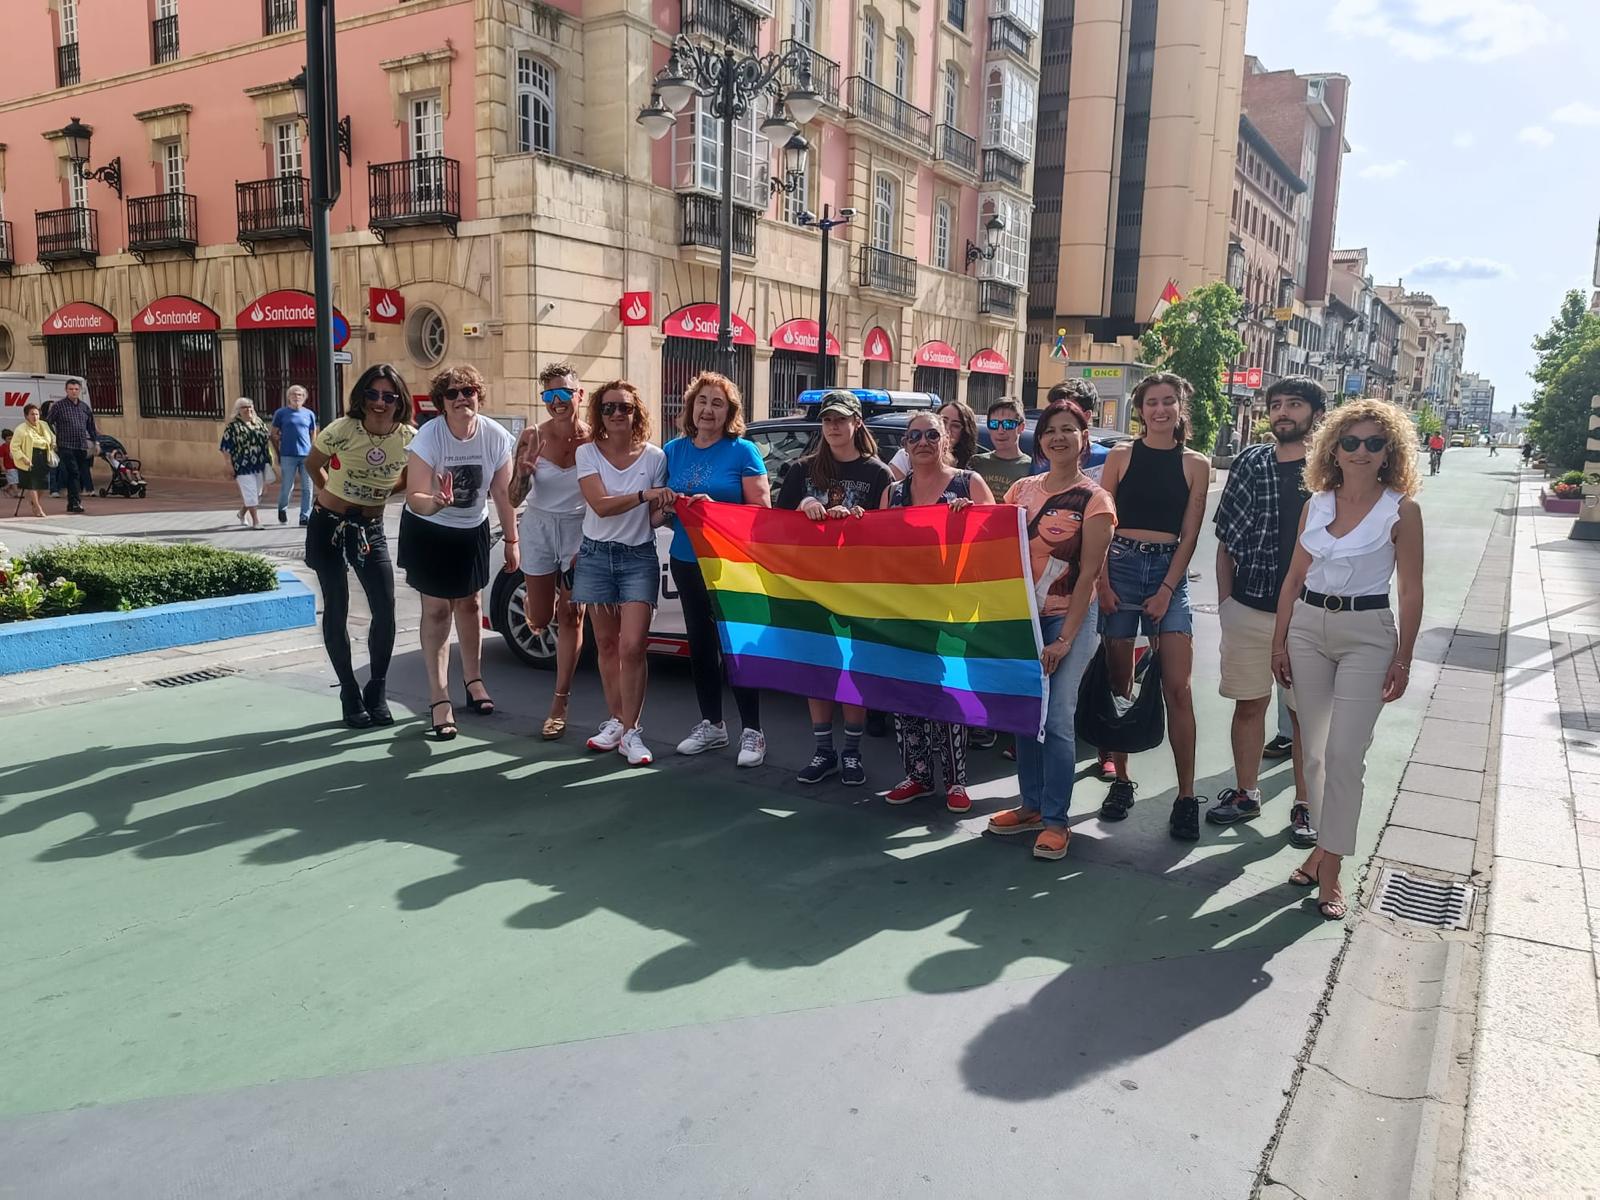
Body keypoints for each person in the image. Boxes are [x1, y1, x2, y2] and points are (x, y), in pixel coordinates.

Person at [1273, 399, 1424, 920]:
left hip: (1368, 632)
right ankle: (1323, 845)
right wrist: (1279, 640)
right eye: (1351, 442)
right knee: (1311, 751)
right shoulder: (1315, 503)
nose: (1361, 451)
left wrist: (1403, 657)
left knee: (1344, 754)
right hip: (1308, 627)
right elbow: (1293, 578)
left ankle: (1332, 866)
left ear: (1390, 452)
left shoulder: (1401, 510)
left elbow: (1410, 590)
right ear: (1333, 449)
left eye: (1374, 443)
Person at [986, 396, 1117, 859]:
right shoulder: (1023, 490)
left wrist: (1065, 638)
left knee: (1058, 720)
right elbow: (994, 540)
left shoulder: (1096, 501)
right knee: (1026, 713)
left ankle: (1057, 820)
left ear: (1084, 438)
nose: (1058, 437)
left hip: (1069, 619)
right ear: (1039, 440)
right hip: (1025, 616)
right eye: (1050, 431)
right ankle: (1032, 806)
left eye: (1068, 429)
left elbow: (1088, 576)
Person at [1208, 376, 1326, 843]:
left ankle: (1305, 805)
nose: (1283, 413)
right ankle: (1246, 791)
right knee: (1249, 704)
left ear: (1315, 412)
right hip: (1249, 608)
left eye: (1294, 404)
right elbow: (1225, 541)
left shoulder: (1331, 468)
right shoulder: (1251, 462)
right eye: (1276, 404)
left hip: (1310, 615)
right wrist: (1225, 603)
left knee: (1304, 715)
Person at [1094, 371, 1210, 840]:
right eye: (1151, 403)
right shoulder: (1120, 457)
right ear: (1139, 409)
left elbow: (1191, 533)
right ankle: (1121, 781)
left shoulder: (1196, 464)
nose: (1159, 410)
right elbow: (1100, 521)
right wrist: (1100, 581)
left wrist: (1166, 589)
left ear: (1180, 407)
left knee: (1178, 687)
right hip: (1119, 568)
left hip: (1168, 572)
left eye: (1168, 402)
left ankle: (1185, 796)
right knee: (1119, 684)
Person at [879, 410, 995, 814]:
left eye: (931, 434)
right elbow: (880, 548)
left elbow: (998, 541)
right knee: (907, 688)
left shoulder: (968, 483)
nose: (923, 442)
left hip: (953, 607)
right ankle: (918, 774)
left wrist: (973, 519)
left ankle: (956, 780)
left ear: (946, 440)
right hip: (905, 608)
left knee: (948, 690)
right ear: (905, 446)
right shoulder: (893, 493)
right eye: (914, 436)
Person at [776, 390, 894, 787]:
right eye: (827, 420)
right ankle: (823, 750)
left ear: (857, 423)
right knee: (819, 667)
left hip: (859, 588)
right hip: (811, 585)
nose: (833, 427)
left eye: (841, 420)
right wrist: (803, 506)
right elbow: (774, 529)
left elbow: (890, 535)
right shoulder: (800, 470)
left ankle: (852, 754)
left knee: (854, 669)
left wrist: (859, 521)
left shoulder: (878, 472)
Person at [402, 365, 519, 741]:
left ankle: (474, 681)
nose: (460, 398)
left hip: (472, 529)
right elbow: (414, 497)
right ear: (441, 403)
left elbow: (503, 494)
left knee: (470, 604)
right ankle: (439, 698)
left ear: (478, 396)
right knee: (437, 610)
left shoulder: (495, 436)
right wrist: (436, 502)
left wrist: (513, 541)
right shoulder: (429, 437)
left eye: (467, 390)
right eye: (451, 394)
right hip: (429, 528)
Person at [665, 371, 771, 766]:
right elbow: (663, 510)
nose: (708, 409)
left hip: (731, 564)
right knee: (701, 646)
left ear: (730, 413)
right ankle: (712, 725)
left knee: (737, 645)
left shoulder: (743, 451)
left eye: (718, 403)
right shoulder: (674, 450)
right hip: (685, 559)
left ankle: (753, 731)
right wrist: (664, 508)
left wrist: (716, 510)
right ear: (691, 407)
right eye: (703, 401)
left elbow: (762, 512)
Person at [305, 365, 415, 728]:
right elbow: (313, 463)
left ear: (400, 401)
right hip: (329, 527)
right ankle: (349, 691)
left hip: (371, 528)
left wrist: (383, 493)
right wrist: (326, 492)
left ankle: (377, 690)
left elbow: (411, 477)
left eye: (388, 396)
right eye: (372, 394)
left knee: (385, 608)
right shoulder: (343, 429)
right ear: (361, 396)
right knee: (336, 605)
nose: (379, 403)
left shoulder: (409, 438)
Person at [573, 380, 671, 765]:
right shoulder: (587, 454)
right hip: (596, 555)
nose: (617, 414)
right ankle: (615, 720)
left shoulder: (654, 458)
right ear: (599, 413)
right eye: (610, 407)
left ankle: (632, 731)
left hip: (638, 557)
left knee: (633, 646)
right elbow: (599, 505)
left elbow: (653, 517)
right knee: (607, 645)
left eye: (625, 408)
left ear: (636, 413)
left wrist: (668, 505)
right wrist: (646, 496)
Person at [510, 362, 592, 741]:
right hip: (539, 527)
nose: (557, 402)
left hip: (578, 530)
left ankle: (560, 702)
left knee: (572, 616)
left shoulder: (594, 438)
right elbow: (513, 497)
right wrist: (524, 472)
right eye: (549, 395)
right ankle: (536, 607)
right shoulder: (530, 436)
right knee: (542, 620)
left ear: (580, 395)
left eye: (564, 394)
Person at [889, 398, 979, 478]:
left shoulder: (973, 468)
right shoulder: (906, 456)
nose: (947, 429)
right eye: (943, 421)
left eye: (955, 425)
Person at [44, 378, 97, 514]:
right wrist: (53, 438)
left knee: (76, 474)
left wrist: (95, 441)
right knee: (73, 472)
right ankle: (75, 503)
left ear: (79, 390)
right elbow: (47, 423)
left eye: (76, 389)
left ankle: (71, 502)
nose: (74, 391)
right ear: (66, 390)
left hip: (81, 445)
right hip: (66, 445)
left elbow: (91, 426)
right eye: (71, 389)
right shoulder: (59, 406)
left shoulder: (84, 407)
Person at [969, 399, 1033, 510]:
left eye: (1008, 424)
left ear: (1021, 427)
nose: (1000, 430)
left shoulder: (1031, 467)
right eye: (994, 424)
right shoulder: (976, 463)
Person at [219, 397, 273, 528]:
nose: (248, 409)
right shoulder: (233, 427)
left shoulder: (259, 423)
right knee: (249, 492)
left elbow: (267, 441)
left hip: (260, 463)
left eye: (250, 407)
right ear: (238, 410)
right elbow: (225, 447)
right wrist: (228, 464)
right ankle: (256, 521)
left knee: (257, 493)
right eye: (244, 407)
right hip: (242, 464)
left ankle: (242, 513)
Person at [270, 384, 318, 527]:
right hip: (288, 455)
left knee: (307, 487)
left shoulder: (309, 414)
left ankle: (305, 515)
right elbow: (273, 433)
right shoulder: (281, 413)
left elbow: (313, 434)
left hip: (306, 455)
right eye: (294, 394)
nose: (297, 397)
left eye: (300, 395)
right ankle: (282, 508)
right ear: (288, 397)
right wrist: (278, 451)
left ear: (304, 398)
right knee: (287, 485)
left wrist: (313, 452)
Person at [10, 405, 55, 518]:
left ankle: (35, 502)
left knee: (44, 484)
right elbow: (14, 447)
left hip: (44, 456)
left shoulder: (44, 425)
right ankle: (38, 507)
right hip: (29, 457)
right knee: (32, 484)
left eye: (36, 414)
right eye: (32, 414)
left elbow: (52, 436)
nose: (35, 417)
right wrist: (23, 458)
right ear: (26, 416)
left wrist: (53, 444)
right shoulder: (21, 429)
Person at [1, 430, 18, 498]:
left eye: (12, 438)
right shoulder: (2, 447)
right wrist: (2, 466)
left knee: (13, 480)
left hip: (14, 466)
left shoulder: (13, 446)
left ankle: (5, 488)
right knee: (14, 480)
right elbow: (1, 458)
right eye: (9, 439)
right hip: (8, 467)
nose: (11, 440)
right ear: (5, 439)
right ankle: (16, 493)